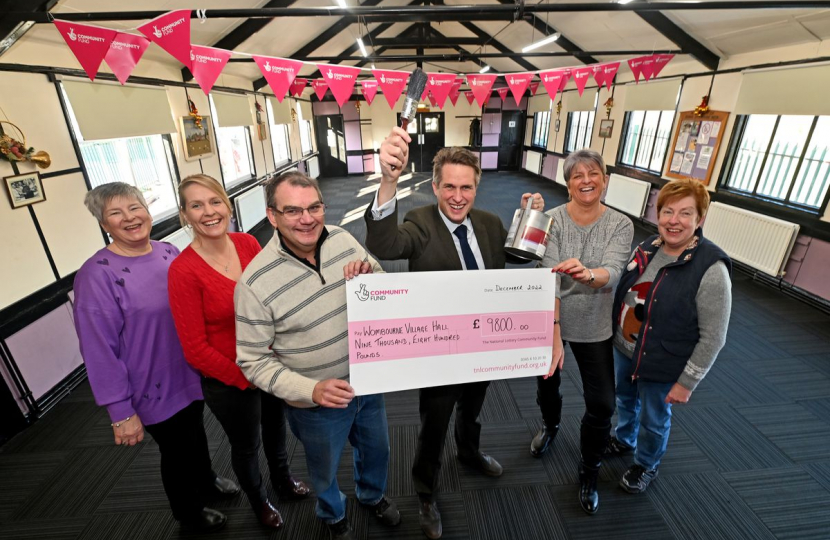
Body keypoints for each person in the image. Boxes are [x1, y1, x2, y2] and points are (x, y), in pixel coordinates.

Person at [365, 127, 544, 539]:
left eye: (466, 187)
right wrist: (388, 181)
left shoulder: (489, 221)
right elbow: (388, 245)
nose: (458, 196)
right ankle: (426, 491)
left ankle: (468, 452)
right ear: (435, 186)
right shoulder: (420, 222)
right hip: (441, 347)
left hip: (484, 342)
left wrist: (530, 217)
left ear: (477, 187)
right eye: (449, 187)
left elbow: (520, 257)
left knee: (473, 407)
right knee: (435, 420)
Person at [234, 171, 400, 540]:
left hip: (367, 381)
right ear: (272, 216)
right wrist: (311, 390)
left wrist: (370, 279)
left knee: (377, 451)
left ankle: (371, 496)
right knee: (323, 468)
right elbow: (252, 360)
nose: (307, 219)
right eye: (293, 210)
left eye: (314, 208)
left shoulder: (341, 238)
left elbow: (384, 279)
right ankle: (332, 513)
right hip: (315, 403)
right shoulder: (255, 283)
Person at [72, 182, 239, 534]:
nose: (130, 218)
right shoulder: (97, 274)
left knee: (195, 432)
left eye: (135, 208)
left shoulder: (168, 251)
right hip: (149, 383)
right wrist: (120, 411)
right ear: (104, 224)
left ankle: (206, 480)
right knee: (176, 449)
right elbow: (98, 349)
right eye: (115, 213)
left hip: (190, 370)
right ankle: (188, 512)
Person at [167, 174, 309, 531]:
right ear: (185, 215)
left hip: (271, 363)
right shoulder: (182, 270)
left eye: (214, 201)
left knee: (277, 431)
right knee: (247, 446)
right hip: (229, 379)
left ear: (227, 205)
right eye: (196, 206)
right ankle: (260, 502)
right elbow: (195, 349)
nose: (209, 212)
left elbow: (273, 295)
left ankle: (283, 480)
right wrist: (248, 374)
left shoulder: (247, 243)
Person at [607, 178, 732, 493]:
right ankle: (624, 438)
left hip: (663, 361)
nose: (674, 221)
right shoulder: (648, 246)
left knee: (654, 417)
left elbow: (713, 337)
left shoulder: (711, 269)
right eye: (668, 211)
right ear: (657, 213)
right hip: (625, 349)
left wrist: (687, 383)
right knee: (625, 398)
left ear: (699, 219)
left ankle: (647, 463)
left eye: (686, 213)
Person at [531, 149, 634, 515]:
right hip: (554, 316)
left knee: (603, 403)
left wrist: (590, 275)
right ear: (568, 182)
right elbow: (549, 280)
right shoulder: (553, 220)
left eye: (594, 174)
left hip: (595, 321)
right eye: (578, 175)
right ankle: (551, 424)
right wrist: (555, 331)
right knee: (547, 382)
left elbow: (614, 270)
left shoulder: (620, 225)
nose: (586, 180)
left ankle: (589, 470)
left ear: (604, 180)